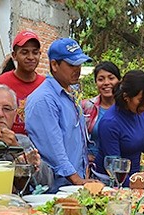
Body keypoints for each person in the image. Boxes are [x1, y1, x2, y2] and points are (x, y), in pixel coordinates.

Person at [24, 38, 94, 192]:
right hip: (53, 191)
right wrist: (76, 179)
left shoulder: (70, 92)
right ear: (54, 65)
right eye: (71, 65)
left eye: (79, 64)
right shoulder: (44, 99)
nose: (78, 69)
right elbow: (53, 148)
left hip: (74, 186)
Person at [0, 84, 55, 191]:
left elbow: (47, 181)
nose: (0, 114)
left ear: (15, 115)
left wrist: (17, 150)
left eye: (7, 109)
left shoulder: (21, 141)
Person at [0, 30, 45, 135]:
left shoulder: (46, 86)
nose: (31, 57)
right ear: (14, 55)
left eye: (35, 52)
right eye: (24, 52)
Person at [81, 61, 121, 162]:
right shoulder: (86, 106)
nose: (106, 83)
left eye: (111, 78)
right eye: (100, 79)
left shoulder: (126, 109)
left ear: (119, 81)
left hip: (118, 166)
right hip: (91, 167)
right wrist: (84, 156)